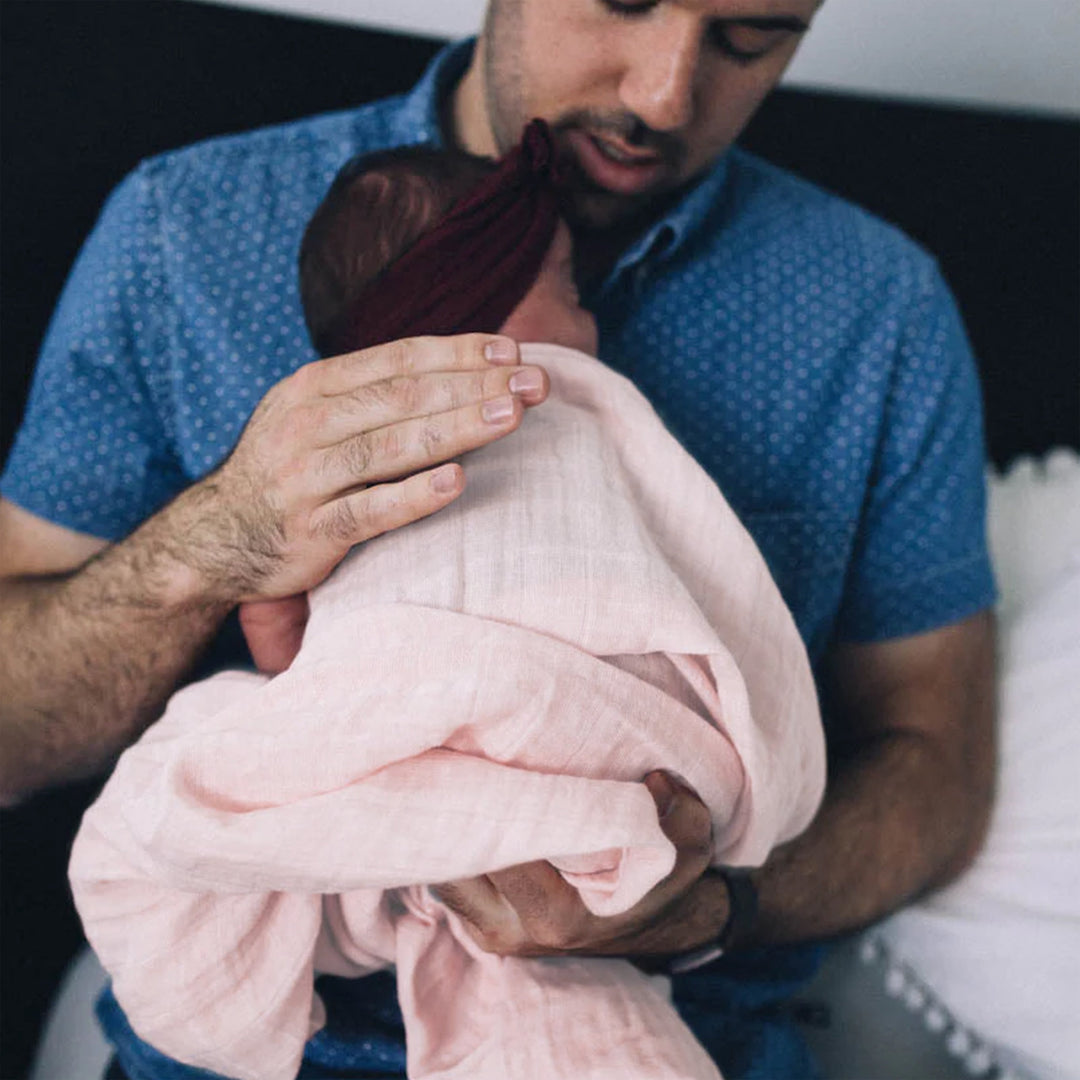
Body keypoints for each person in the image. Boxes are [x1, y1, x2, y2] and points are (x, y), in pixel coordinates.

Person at [0, 3, 997, 1077]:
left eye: (751, 38)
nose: (664, 95)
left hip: (687, 1028)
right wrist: (216, 540)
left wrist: (711, 904)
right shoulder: (182, 235)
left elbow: (939, 769)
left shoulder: (876, 313)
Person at [70, 121, 825, 1080]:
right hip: (628, 774)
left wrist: (329, 673)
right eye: (571, 291)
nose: (589, 331)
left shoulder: (860, 306)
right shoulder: (181, 228)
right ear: (482, 301)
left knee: (184, 777)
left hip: (461, 793)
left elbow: (284, 645)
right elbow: (705, 562)